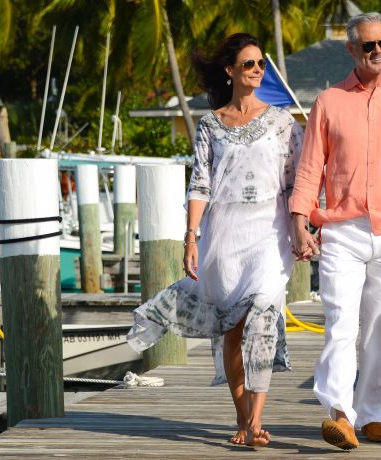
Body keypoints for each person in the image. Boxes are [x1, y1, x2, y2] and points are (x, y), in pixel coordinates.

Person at [126, 33, 303, 447]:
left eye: (261, 64)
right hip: (224, 236)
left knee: (261, 319)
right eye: (249, 64)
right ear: (230, 71)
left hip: (269, 235)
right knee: (231, 329)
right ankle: (242, 418)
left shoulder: (282, 123)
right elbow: (200, 184)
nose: (257, 71)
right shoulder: (211, 125)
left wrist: (304, 228)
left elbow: (297, 182)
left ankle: (257, 421)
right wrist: (191, 236)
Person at [288, 12, 381, 451]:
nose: (378, 52)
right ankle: (339, 414)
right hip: (344, 231)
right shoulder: (329, 102)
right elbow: (311, 165)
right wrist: (300, 218)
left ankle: (372, 415)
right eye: (368, 46)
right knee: (341, 324)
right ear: (351, 49)